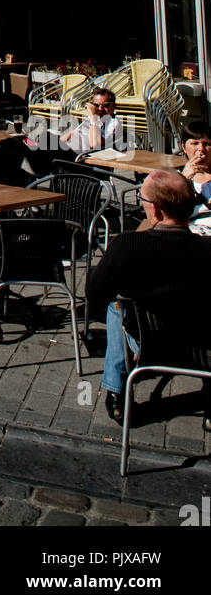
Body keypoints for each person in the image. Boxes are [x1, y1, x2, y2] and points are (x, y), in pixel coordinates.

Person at [87, 170, 211, 423]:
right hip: (204, 347)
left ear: (155, 211)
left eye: (142, 201)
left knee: (116, 305)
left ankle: (116, 389)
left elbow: (94, 294)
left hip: (149, 345)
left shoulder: (126, 245)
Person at [67, 87, 125, 155]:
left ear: (114, 106)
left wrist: (94, 119)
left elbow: (96, 145)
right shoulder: (92, 118)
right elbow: (73, 133)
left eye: (105, 105)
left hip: (80, 156)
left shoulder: (114, 123)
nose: (100, 109)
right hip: (69, 148)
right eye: (96, 105)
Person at [180, 118, 211, 212]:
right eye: (195, 143)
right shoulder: (176, 178)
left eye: (206, 144)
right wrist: (183, 180)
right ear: (184, 147)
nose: (201, 149)